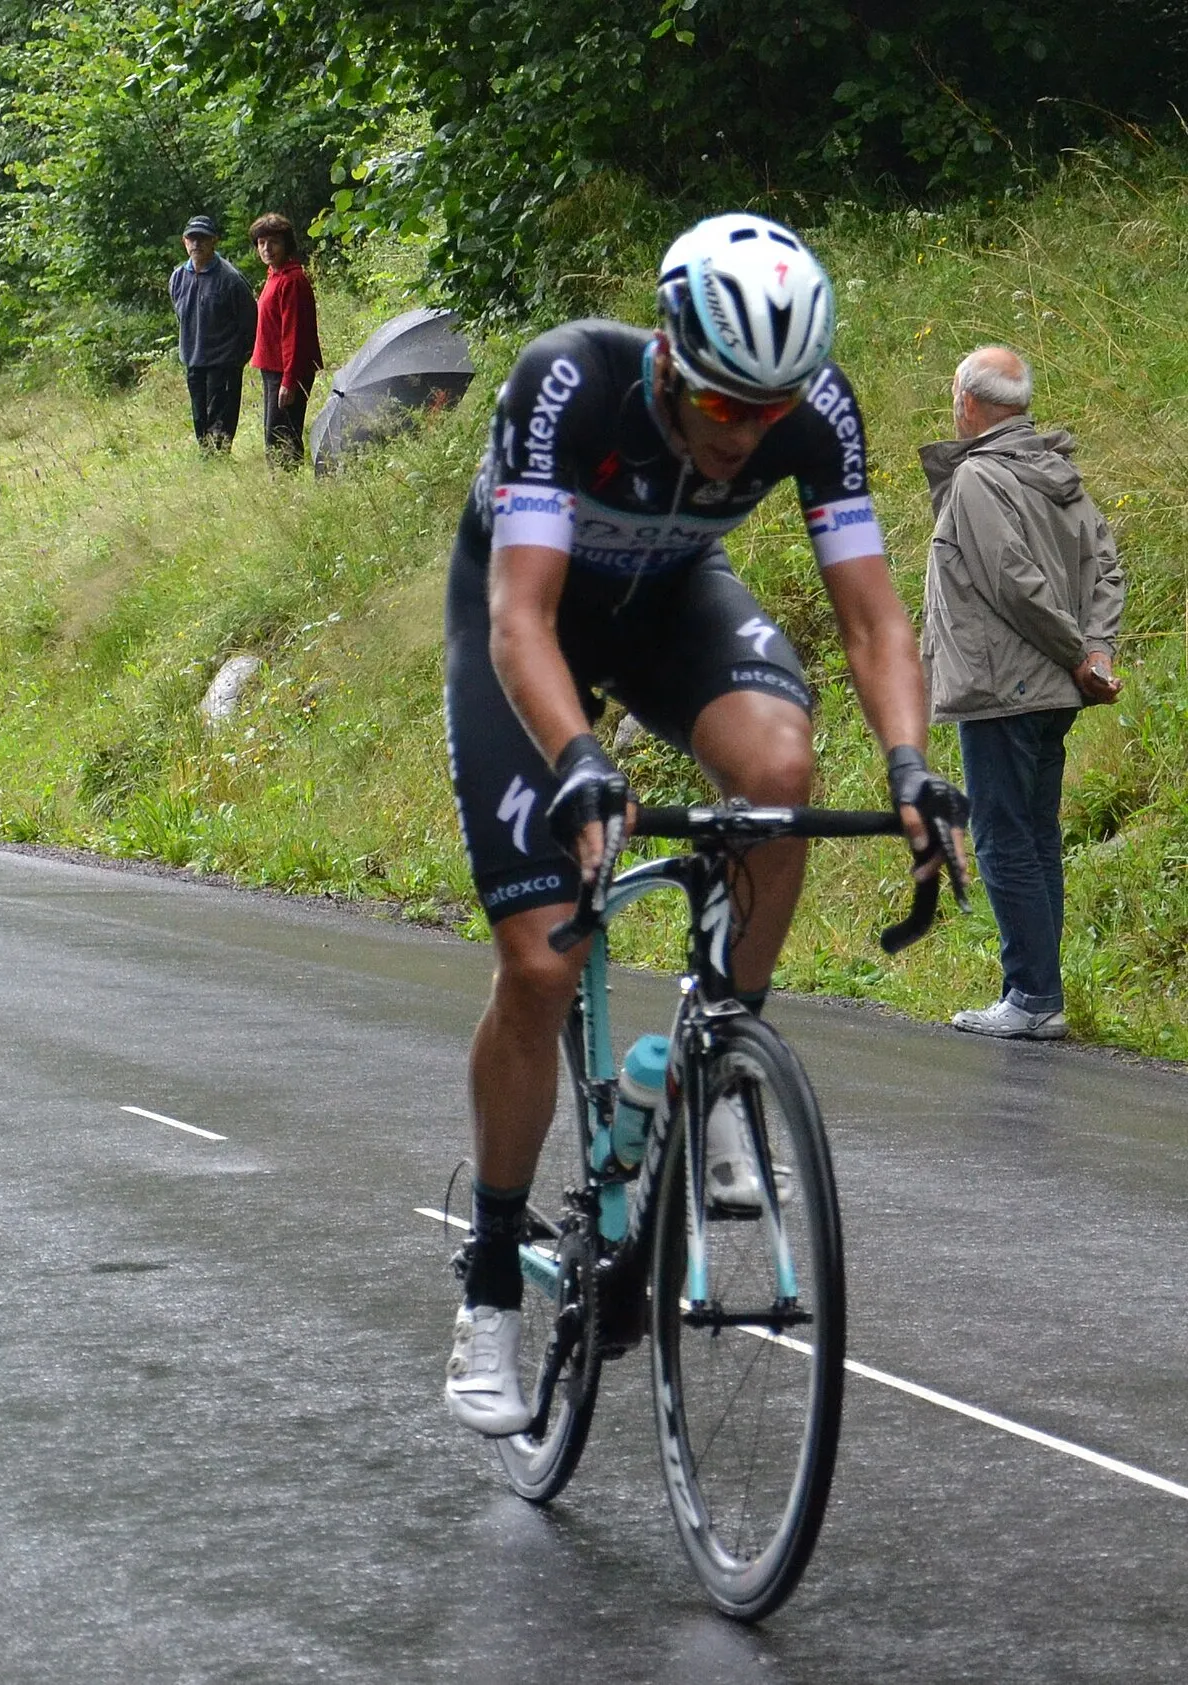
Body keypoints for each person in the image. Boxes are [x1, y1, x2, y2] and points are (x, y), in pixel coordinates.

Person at [439, 213, 966, 1436]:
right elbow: (521, 617)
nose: (743, 438)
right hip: (529, 623)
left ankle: (712, 1062)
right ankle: (488, 1289)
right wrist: (577, 757)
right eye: (723, 405)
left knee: (780, 774)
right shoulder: (566, 380)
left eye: (766, 415)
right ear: (668, 358)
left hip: (670, 610)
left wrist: (910, 764)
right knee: (538, 961)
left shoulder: (810, 407)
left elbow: (875, 622)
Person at [921, 347, 1124, 1041]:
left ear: (969, 403)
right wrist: (1095, 654)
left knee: (1004, 836)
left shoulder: (978, 477)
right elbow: (1107, 568)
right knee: (1035, 838)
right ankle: (1040, 992)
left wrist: (1080, 654)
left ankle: (1032, 994)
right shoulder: (1058, 472)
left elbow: (1011, 582)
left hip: (1002, 689)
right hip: (1049, 692)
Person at [168, 216, 257, 452]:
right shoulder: (177, 277)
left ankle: (220, 461)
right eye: (192, 238)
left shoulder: (230, 279)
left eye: (203, 238)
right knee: (199, 418)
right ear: (184, 241)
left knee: (221, 422)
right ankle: (206, 459)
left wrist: (237, 359)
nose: (197, 243)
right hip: (193, 361)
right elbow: (182, 315)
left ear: (214, 240)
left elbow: (249, 321)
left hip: (224, 363)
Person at [248, 213, 323, 468]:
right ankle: (280, 485)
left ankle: (286, 488)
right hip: (273, 369)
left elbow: (294, 334)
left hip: (287, 370)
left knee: (282, 434)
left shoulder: (292, 280)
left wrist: (289, 381)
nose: (266, 249)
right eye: (261, 243)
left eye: (273, 242)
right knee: (274, 432)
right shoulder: (275, 276)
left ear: (286, 244)